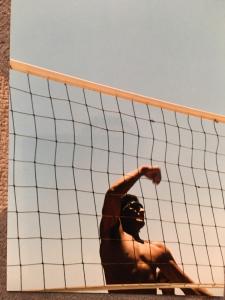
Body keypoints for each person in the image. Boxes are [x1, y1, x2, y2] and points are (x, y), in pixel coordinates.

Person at [100, 165, 211, 295]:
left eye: (141, 207)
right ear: (120, 213)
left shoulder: (157, 249)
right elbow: (113, 195)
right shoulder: (113, 237)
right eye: (135, 206)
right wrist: (142, 171)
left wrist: (169, 293)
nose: (141, 210)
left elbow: (189, 287)